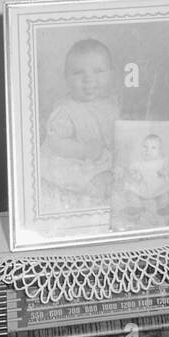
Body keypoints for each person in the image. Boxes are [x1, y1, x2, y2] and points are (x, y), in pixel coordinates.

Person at [38, 38, 119, 212]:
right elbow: (55, 143)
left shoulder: (110, 104)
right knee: (71, 174)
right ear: (66, 78)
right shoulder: (66, 110)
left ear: (111, 74)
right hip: (71, 158)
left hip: (99, 156)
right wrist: (82, 149)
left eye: (98, 71)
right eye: (78, 73)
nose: (88, 79)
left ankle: (102, 180)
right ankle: (89, 188)